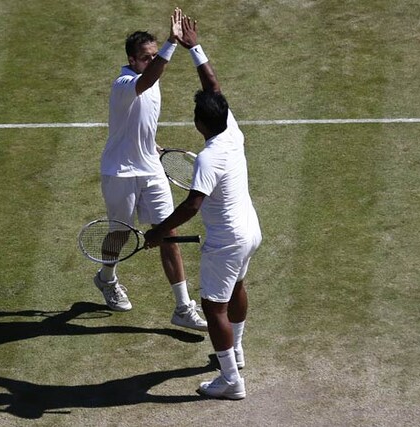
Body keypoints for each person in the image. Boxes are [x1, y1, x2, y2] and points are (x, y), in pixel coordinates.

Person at [144, 15, 262, 400]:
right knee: (237, 287)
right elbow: (214, 87)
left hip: (226, 241)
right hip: (250, 231)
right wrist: (194, 46)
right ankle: (238, 353)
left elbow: (192, 205)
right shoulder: (231, 130)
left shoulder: (209, 158)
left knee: (214, 308)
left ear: (198, 124)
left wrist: (158, 232)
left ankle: (231, 381)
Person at [95, 8, 207, 332]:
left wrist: (152, 144)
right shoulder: (124, 83)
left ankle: (183, 307)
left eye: (155, 55)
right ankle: (107, 279)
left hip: (150, 167)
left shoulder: (151, 80)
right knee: (120, 233)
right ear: (132, 60)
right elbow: (146, 80)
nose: (153, 60)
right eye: (147, 56)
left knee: (168, 232)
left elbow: (139, 120)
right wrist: (173, 43)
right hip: (119, 171)